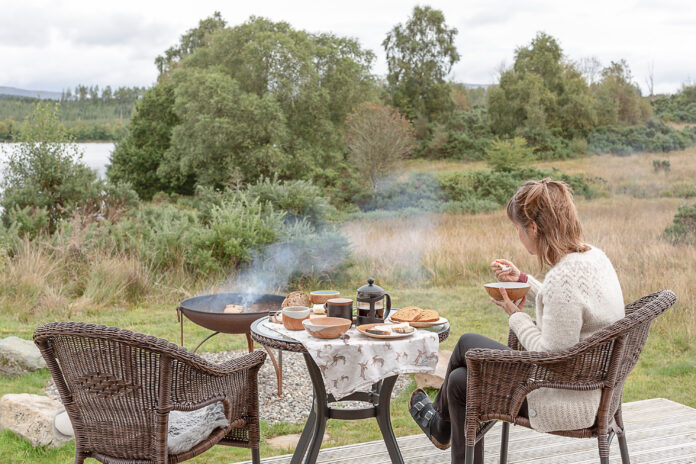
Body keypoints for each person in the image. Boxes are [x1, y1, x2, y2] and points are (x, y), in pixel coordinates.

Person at [409, 178, 625, 462]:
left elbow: (549, 356)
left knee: (464, 352)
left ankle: (440, 426)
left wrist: (516, 316)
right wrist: (523, 281)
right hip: (589, 387)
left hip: (560, 398)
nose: (518, 234)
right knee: (460, 380)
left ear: (533, 228)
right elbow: (567, 304)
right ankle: (442, 427)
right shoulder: (593, 257)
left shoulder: (563, 278)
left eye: (517, 228)